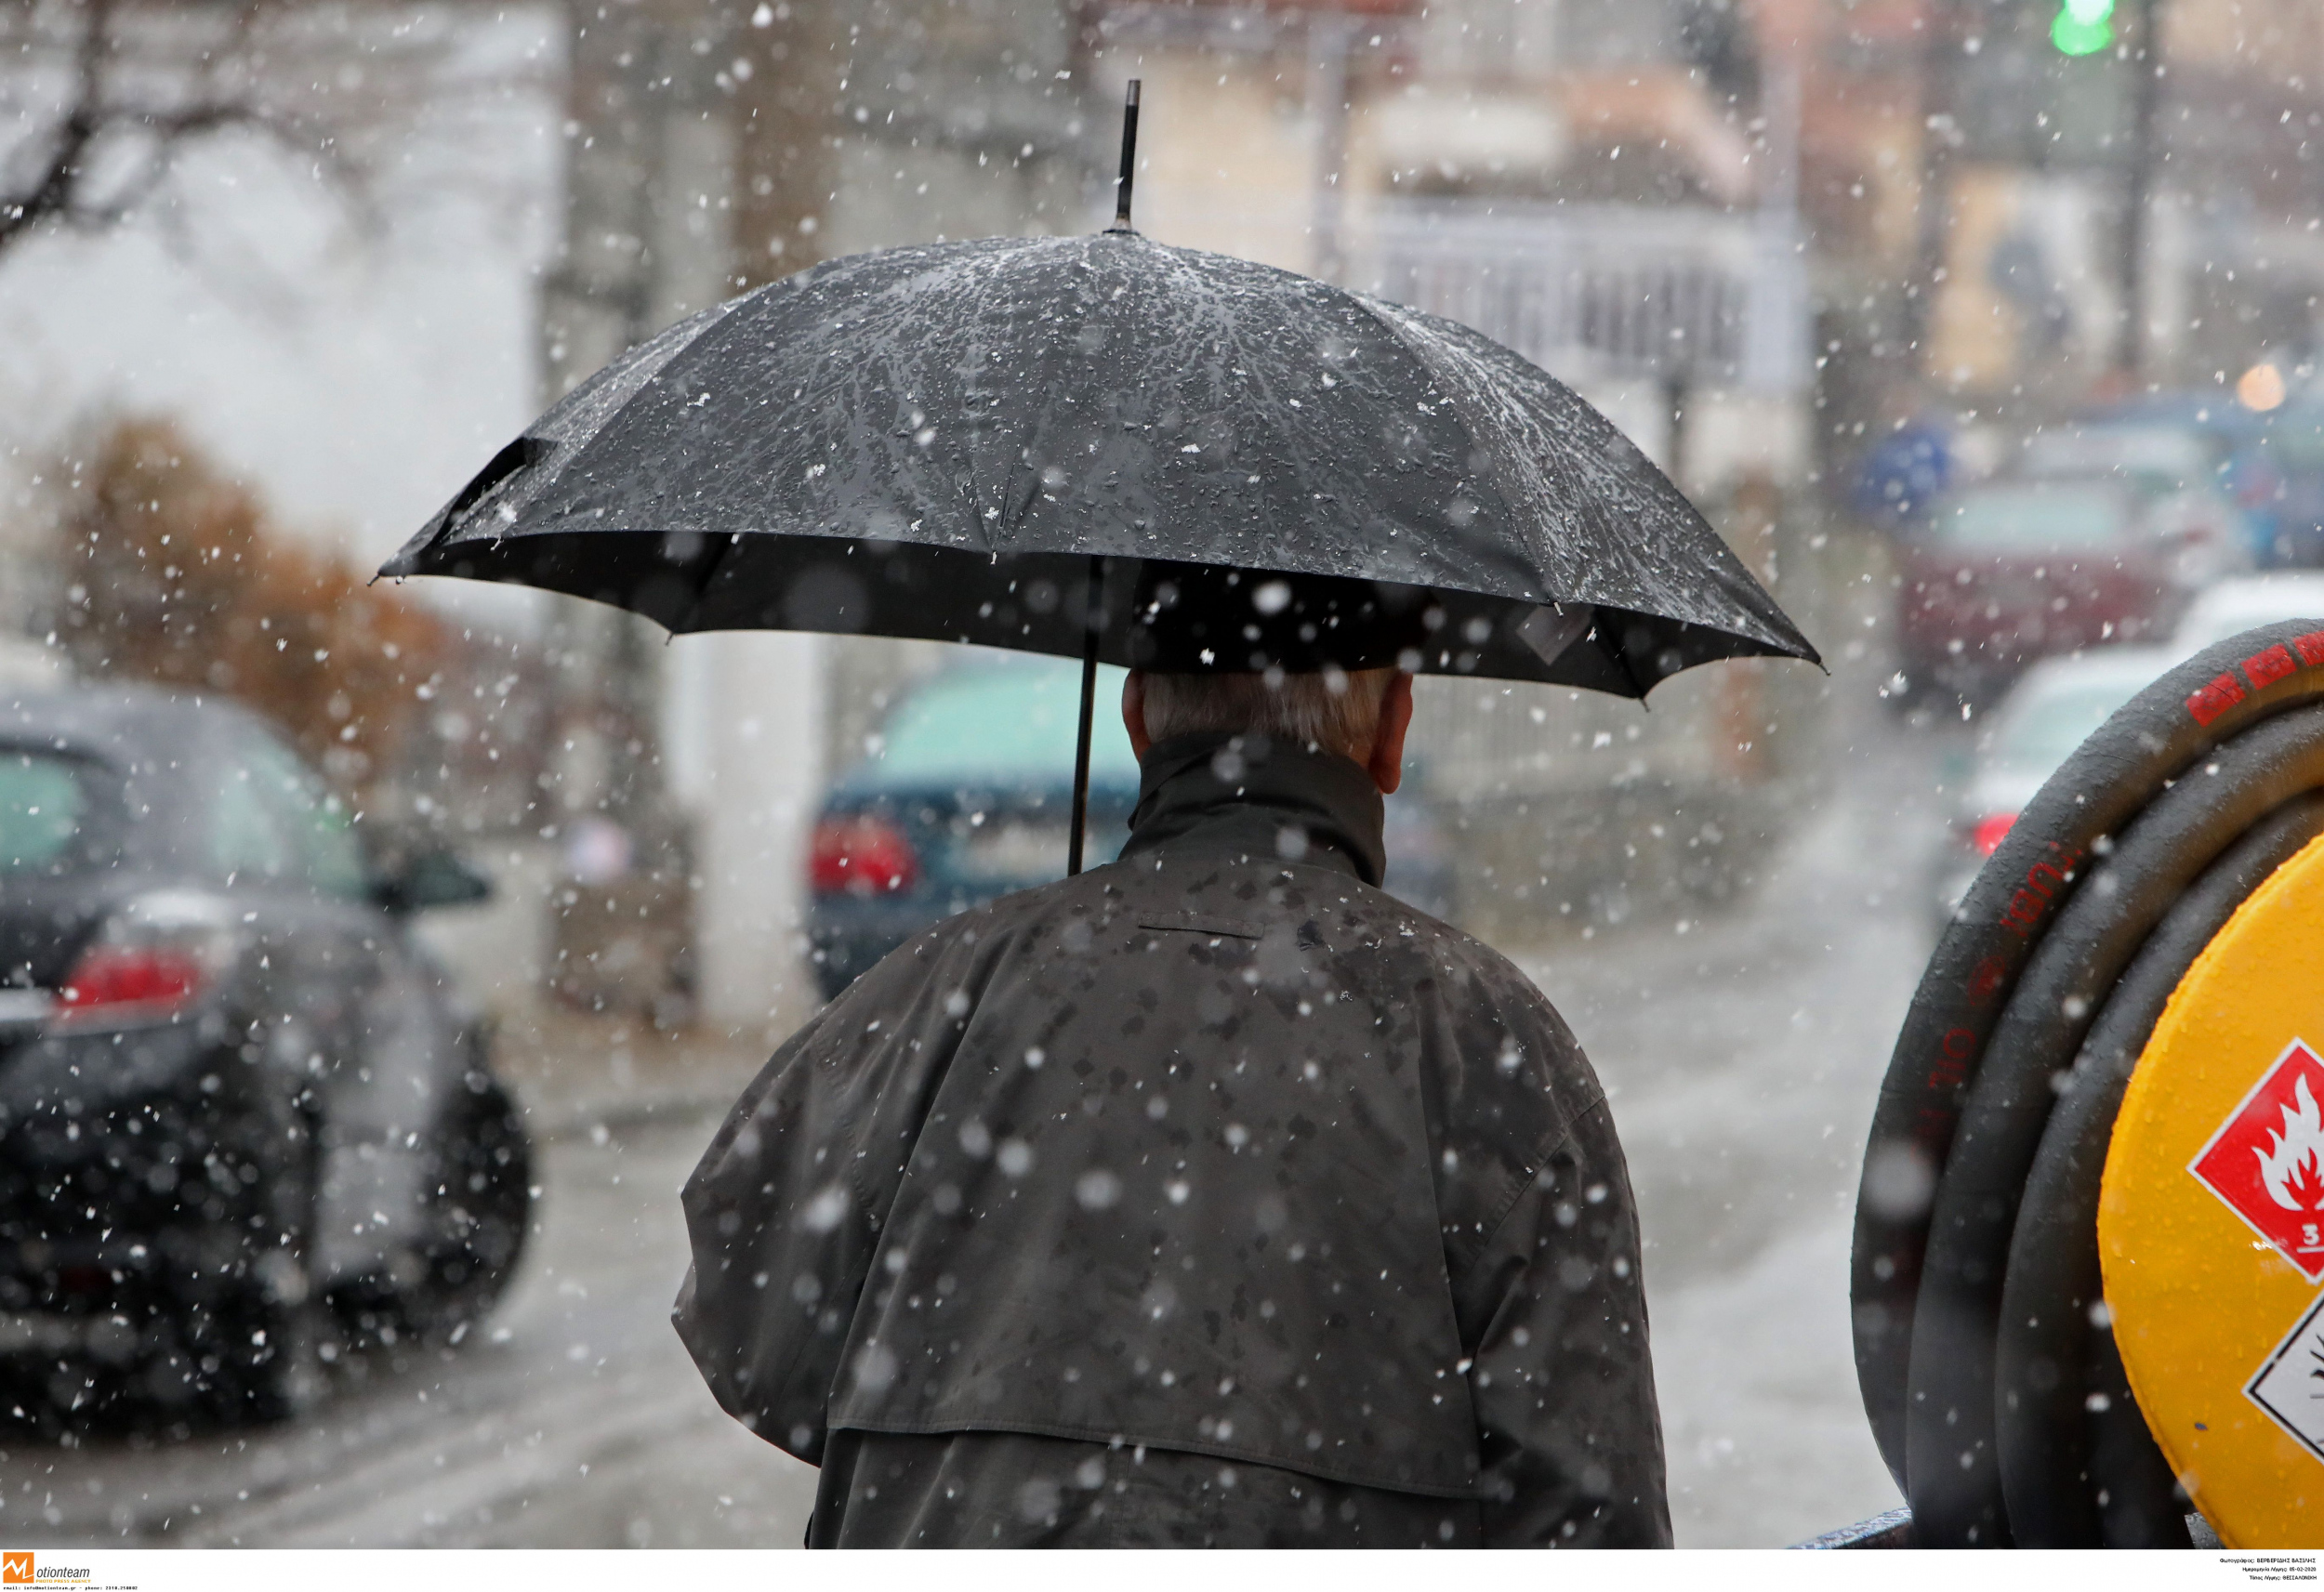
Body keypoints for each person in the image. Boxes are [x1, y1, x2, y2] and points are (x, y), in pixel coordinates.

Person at [673, 663, 1670, 1547]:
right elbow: (1585, 1508)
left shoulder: (935, 991)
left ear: (1138, 716)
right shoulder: (1486, 1035)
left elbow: (760, 1333)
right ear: (1392, 730)